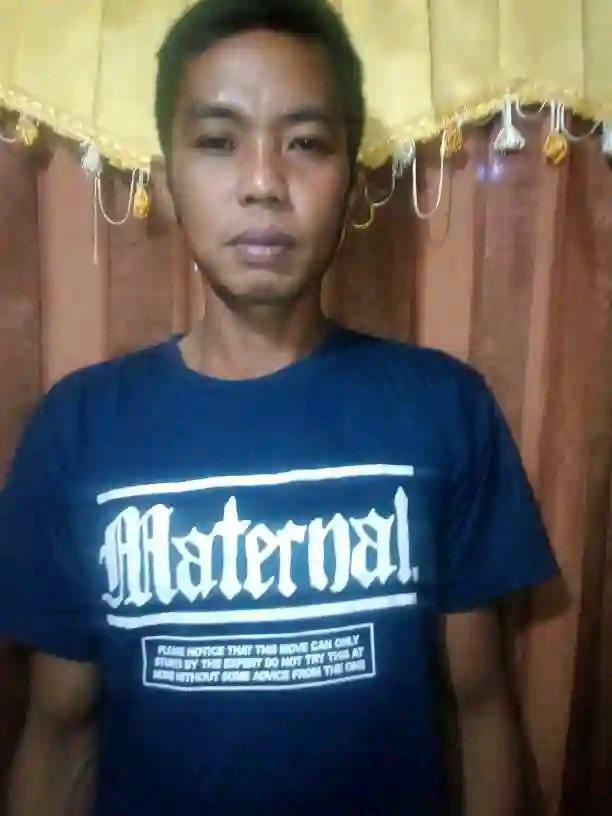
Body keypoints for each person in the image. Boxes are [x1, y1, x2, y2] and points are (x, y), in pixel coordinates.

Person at [1, 1, 559, 813]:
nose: (263, 183)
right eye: (218, 141)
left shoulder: (444, 408)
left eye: (305, 143)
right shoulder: (77, 430)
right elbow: (59, 737)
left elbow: (479, 711)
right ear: (168, 181)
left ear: (351, 181)